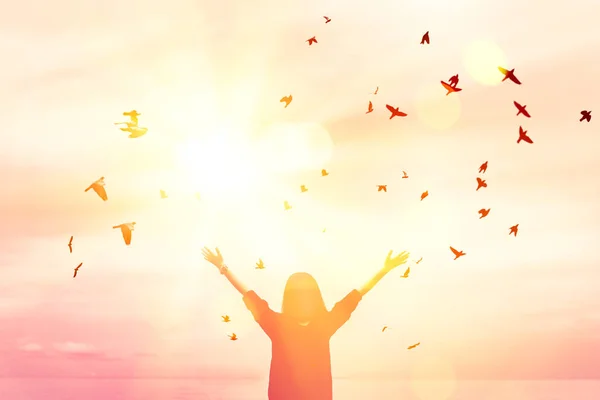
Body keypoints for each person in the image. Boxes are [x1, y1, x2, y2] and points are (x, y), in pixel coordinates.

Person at [201, 247, 410, 400]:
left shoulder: (288, 324)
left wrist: (385, 270)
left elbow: (356, 295)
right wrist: (223, 267)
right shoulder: (299, 324)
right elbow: (249, 295)